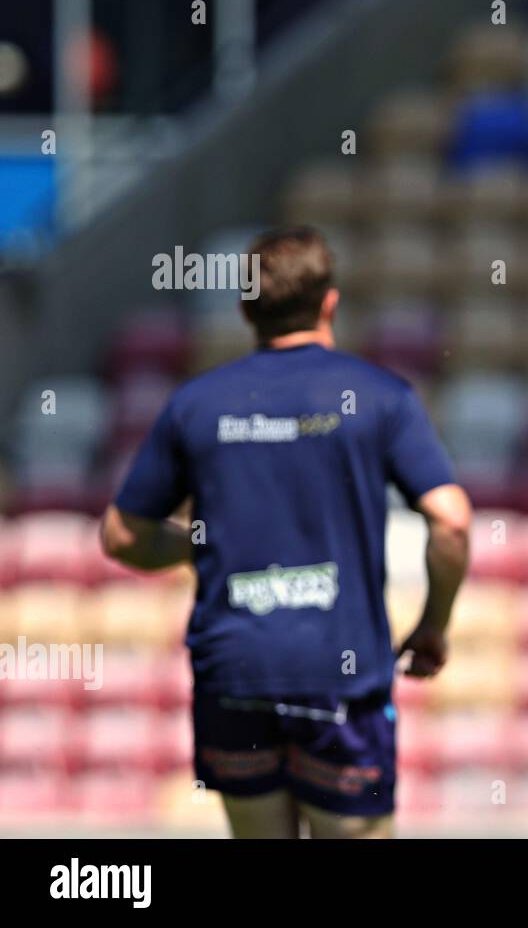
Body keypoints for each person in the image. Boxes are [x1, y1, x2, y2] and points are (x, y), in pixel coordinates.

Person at [102, 226, 470, 838]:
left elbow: (120, 535)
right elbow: (451, 520)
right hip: (341, 675)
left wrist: (193, 546)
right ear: (331, 302)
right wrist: (433, 623)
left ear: (247, 309)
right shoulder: (379, 397)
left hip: (236, 670)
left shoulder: (197, 403)